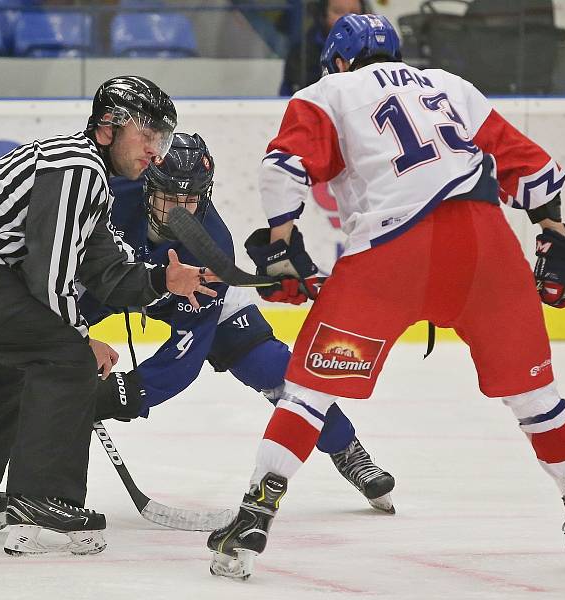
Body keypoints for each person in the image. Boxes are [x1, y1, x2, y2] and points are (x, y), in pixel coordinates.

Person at [207, 14, 565, 578]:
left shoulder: (329, 90)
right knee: (535, 393)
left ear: (341, 60)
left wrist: (281, 245)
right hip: (485, 252)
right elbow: (537, 170)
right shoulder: (451, 85)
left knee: (307, 391)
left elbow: (283, 169)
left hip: (390, 257)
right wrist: (556, 239)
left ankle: (254, 517)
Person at [0, 75, 219, 556]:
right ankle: (43, 499)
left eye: (162, 139)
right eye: (148, 136)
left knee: (7, 361)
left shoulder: (86, 176)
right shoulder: (76, 166)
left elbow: (104, 270)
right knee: (63, 358)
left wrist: (163, 281)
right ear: (108, 127)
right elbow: (48, 273)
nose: (156, 152)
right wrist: (80, 343)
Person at [78, 131, 396, 513]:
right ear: (146, 187)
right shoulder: (110, 197)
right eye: (169, 198)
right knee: (45, 344)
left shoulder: (211, 246)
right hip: (115, 279)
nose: (179, 211)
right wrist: (75, 339)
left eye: (191, 199)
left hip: (187, 296)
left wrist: (125, 393)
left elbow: (188, 354)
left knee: (270, 366)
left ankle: (346, 447)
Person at [279, 0, 368, 95]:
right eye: (338, 11)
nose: (347, 20)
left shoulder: (373, 52)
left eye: (354, 13)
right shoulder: (301, 53)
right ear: (323, 15)